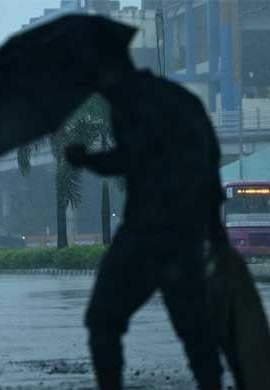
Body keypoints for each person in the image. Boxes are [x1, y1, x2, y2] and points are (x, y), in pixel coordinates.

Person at [65, 69, 225, 390]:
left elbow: (134, 156)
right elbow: (211, 164)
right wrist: (213, 232)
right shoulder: (183, 101)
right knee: (195, 330)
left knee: (103, 319)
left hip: (147, 234)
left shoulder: (134, 104)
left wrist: (86, 160)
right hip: (184, 236)